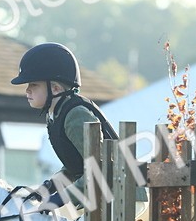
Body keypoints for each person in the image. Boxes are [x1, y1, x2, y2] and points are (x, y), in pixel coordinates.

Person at [10, 42, 117, 211]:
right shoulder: (56, 115)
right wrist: (47, 189)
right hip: (101, 195)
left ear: (55, 88)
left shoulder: (75, 115)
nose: (27, 90)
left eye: (34, 85)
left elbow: (99, 167)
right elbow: (75, 166)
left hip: (120, 195)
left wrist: (61, 197)